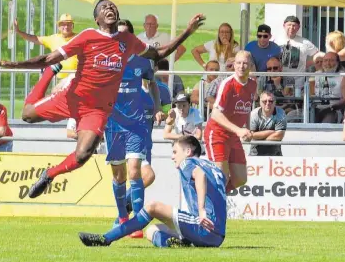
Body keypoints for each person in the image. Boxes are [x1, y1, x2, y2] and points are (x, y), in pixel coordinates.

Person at [0, 0, 205, 199]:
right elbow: (47, 57)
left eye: (112, 6)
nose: (109, 8)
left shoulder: (127, 40)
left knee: (83, 155)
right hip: (72, 97)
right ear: (97, 19)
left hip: (97, 110)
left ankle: (49, 174)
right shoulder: (87, 36)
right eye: (104, 7)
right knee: (26, 115)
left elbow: (159, 53)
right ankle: (49, 75)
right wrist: (13, 65)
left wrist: (187, 31)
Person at [78, 135, 227, 248]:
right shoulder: (213, 167)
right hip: (218, 236)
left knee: (152, 207)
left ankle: (106, 238)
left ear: (188, 151)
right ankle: (176, 244)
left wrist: (201, 210)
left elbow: (199, 174)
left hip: (204, 227)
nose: (172, 156)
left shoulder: (188, 162)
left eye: (175, 151)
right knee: (152, 230)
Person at [105, 19, 163, 239]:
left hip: (137, 123)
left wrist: (157, 107)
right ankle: (122, 218)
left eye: (124, 35)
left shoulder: (142, 62)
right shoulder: (106, 61)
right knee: (119, 176)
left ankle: (136, 222)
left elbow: (153, 84)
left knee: (135, 171)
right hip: (113, 124)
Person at [203, 50, 256, 193]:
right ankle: (207, 204)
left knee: (240, 178)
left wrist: (248, 128)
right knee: (221, 177)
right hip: (217, 134)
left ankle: (212, 196)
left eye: (245, 63)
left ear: (251, 65)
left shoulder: (252, 85)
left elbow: (246, 109)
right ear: (233, 65)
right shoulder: (227, 84)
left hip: (233, 135)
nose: (241, 66)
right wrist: (239, 130)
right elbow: (215, 113)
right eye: (238, 63)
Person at [14, 13, 78, 92]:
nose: (66, 27)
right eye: (63, 24)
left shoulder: (78, 38)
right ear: (58, 27)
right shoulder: (53, 38)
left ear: (73, 26)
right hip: (58, 78)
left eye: (69, 24)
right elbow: (35, 39)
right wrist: (19, 32)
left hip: (75, 77)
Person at [274, 16, 318, 90]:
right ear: (284, 25)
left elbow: (317, 55)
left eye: (294, 25)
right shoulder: (276, 41)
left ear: (298, 27)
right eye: (289, 25)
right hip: (279, 81)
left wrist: (308, 63)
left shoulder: (305, 42)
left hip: (298, 82)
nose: (291, 27)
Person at [314, 52, 345, 123]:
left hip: (333, 110)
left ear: (338, 62)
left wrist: (332, 107)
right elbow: (310, 93)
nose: (328, 63)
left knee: (326, 124)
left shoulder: (343, 76)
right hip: (314, 108)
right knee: (292, 115)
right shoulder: (316, 74)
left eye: (331, 60)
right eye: (325, 60)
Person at [249, 91, 287, 156]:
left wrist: (259, 137)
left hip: (275, 155)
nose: (268, 103)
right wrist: (271, 132)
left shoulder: (281, 113)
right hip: (255, 155)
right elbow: (251, 136)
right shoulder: (254, 114)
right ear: (260, 103)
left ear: (275, 103)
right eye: (264, 101)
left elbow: (279, 136)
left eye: (271, 101)